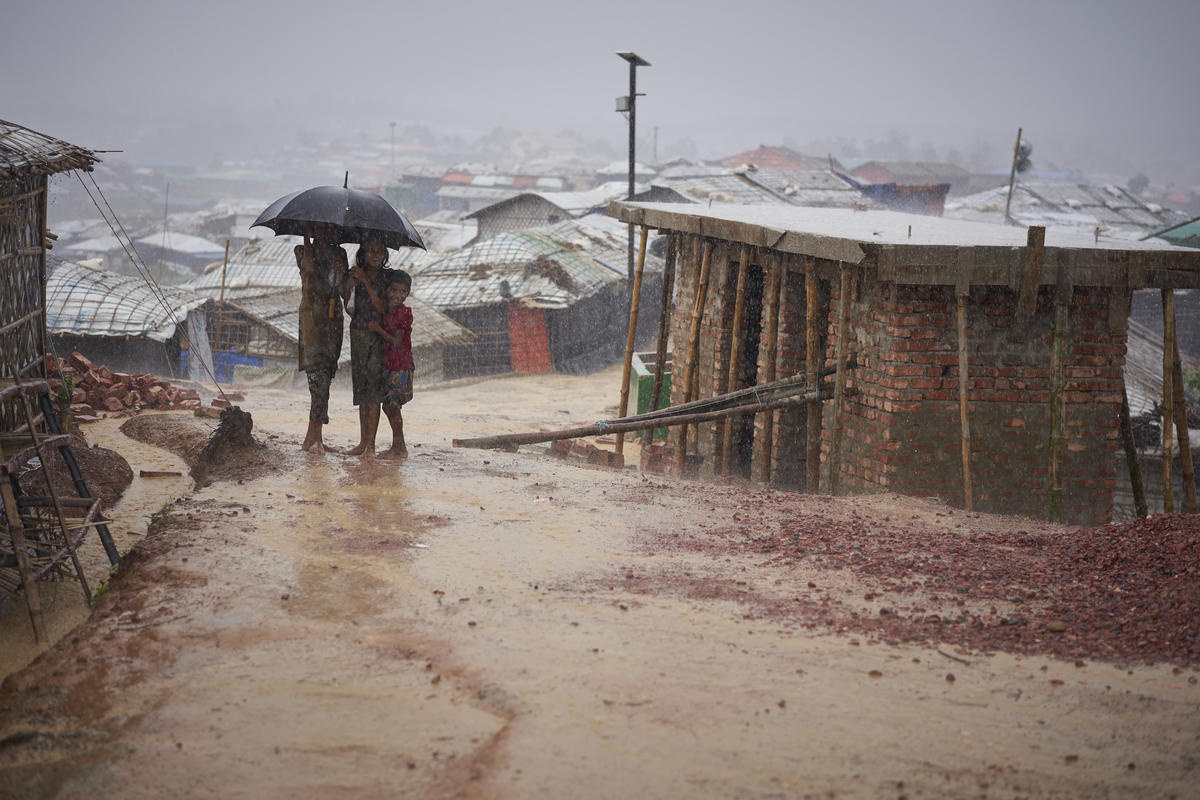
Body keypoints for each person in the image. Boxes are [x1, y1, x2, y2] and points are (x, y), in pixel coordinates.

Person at [295, 223, 347, 454]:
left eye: (330, 230)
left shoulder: (340, 254)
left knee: (325, 380)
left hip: (333, 323)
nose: (326, 233)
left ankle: (314, 438)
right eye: (321, 229)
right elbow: (309, 268)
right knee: (317, 381)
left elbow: (343, 290)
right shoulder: (302, 250)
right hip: (312, 324)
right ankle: (312, 438)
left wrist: (342, 272)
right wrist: (307, 238)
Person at [342, 236, 392, 456]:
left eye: (379, 251)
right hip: (358, 333)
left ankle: (370, 445)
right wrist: (349, 287)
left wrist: (366, 282)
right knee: (362, 391)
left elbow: (382, 308)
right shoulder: (354, 274)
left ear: (384, 256)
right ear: (362, 253)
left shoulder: (387, 278)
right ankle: (363, 443)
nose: (374, 255)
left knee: (374, 392)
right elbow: (349, 308)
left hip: (376, 337)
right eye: (370, 250)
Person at [368, 271, 414, 458]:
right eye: (393, 290)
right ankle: (398, 446)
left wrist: (377, 329)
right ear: (386, 291)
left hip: (400, 367)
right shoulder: (387, 310)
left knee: (392, 407)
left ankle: (400, 448)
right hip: (390, 365)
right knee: (389, 406)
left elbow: (396, 341)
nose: (398, 295)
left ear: (408, 294)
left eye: (403, 291)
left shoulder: (404, 313)